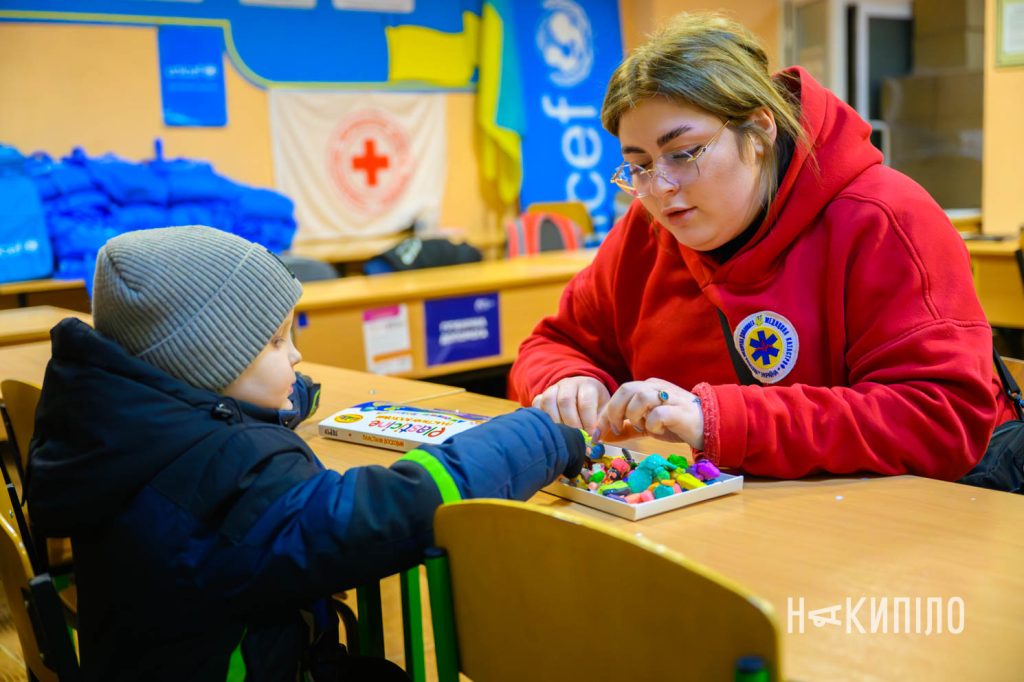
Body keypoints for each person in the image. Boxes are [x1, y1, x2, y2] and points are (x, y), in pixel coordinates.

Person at [26, 225, 585, 681]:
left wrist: (277, 397)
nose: (296, 354)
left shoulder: (125, 429)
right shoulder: (230, 485)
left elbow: (215, 418)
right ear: (206, 364)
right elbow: (389, 511)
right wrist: (539, 434)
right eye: (273, 342)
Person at [509, 12, 1015, 481]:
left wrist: (720, 422)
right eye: (639, 165)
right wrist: (569, 380)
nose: (659, 188)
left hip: (916, 518)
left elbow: (941, 417)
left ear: (759, 130)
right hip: (732, 514)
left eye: (683, 154)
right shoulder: (646, 232)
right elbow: (552, 345)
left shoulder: (882, 218)